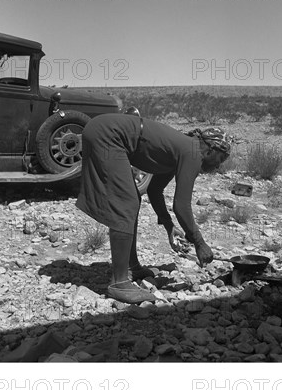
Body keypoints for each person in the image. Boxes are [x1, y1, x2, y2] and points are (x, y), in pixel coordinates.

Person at [76, 113, 232, 304]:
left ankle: (131, 266)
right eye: (221, 159)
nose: (218, 166)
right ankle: (118, 282)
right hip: (108, 135)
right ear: (211, 150)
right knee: (126, 202)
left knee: (132, 199)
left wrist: (168, 225)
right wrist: (199, 243)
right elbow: (181, 205)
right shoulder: (193, 153)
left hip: (104, 130)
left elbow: (155, 190)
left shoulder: (182, 150)